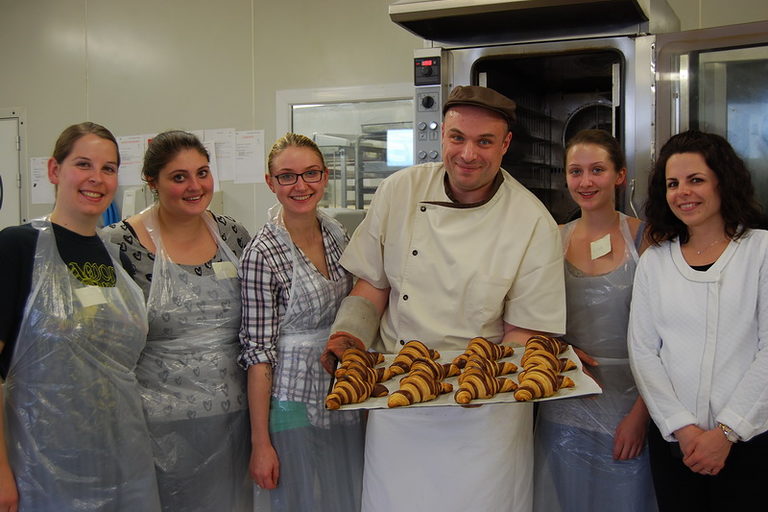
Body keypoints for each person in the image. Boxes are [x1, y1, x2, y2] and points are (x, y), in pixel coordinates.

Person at [322, 85, 566, 512]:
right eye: (457, 138)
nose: (468, 154)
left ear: (505, 144)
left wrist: (477, 380)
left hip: (484, 413)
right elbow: (373, 285)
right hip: (400, 397)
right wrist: (347, 335)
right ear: (442, 137)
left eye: (484, 142)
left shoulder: (532, 222)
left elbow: (523, 332)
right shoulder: (400, 191)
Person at [0, 122, 161, 511]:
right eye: (83, 164)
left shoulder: (117, 256)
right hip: (42, 467)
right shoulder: (18, 247)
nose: (97, 178)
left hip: (124, 458)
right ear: (55, 171)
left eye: (108, 168)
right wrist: (2, 472)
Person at [104, 130, 252, 511]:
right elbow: (107, 345)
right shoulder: (120, 244)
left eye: (202, 173)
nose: (195, 186)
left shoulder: (233, 236)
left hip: (238, 417)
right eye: (179, 177)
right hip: (158, 425)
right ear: (152, 182)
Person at [628, 130, 768, 511]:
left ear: (723, 182)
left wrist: (727, 431)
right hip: (676, 444)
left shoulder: (761, 251)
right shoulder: (655, 262)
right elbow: (643, 352)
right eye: (673, 183)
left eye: (696, 180)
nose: (683, 192)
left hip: (750, 443)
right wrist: (683, 428)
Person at [238, 133, 364, 511]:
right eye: (287, 176)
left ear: (325, 177)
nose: (301, 186)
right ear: (270, 182)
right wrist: (261, 444)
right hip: (289, 398)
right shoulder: (261, 253)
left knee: (346, 493)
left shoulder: (335, 231)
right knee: (300, 500)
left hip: (340, 387)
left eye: (310, 174)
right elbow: (258, 354)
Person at [533, 129, 656, 511]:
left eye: (597, 170)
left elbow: (666, 338)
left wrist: (642, 417)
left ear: (619, 175)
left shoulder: (645, 240)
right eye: (576, 171)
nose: (585, 182)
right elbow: (528, 321)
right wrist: (556, 348)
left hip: (632, 406)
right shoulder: (551, 240)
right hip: (564, 405)